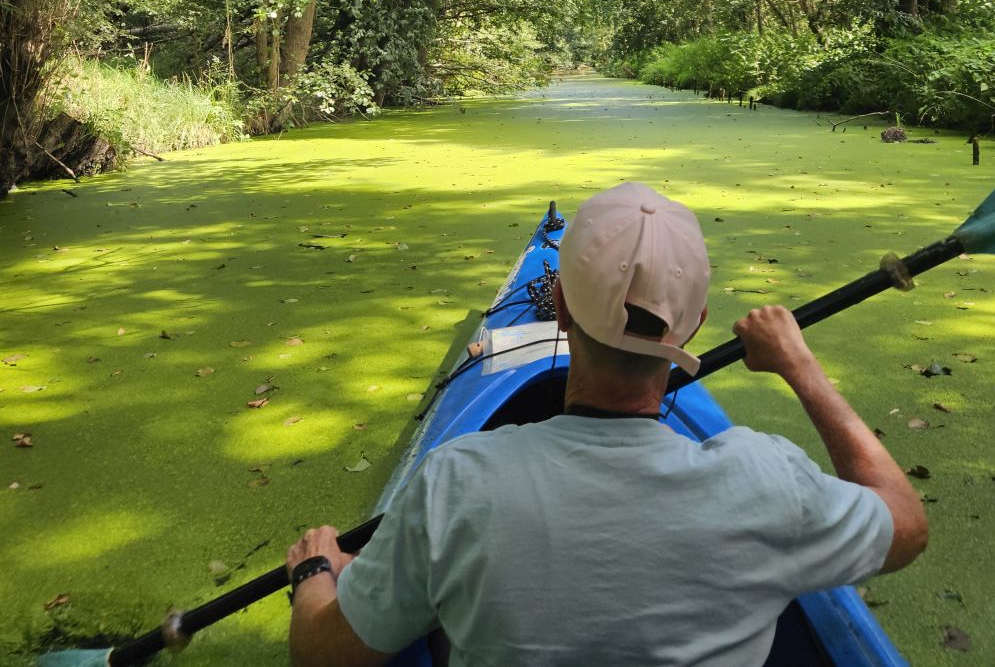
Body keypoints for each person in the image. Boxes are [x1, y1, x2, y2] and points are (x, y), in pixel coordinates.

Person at [286, 182, 927, 666]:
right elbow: (906, 527)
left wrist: (317, 574)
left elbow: (326, 653)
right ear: (695, 325)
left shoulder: (456, 483)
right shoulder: (766, 477)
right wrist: (800, 367)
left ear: (559, 304)